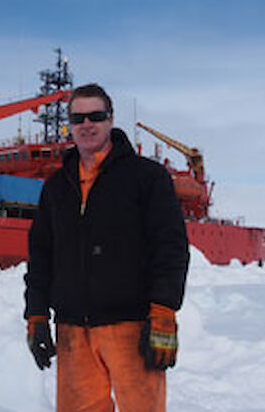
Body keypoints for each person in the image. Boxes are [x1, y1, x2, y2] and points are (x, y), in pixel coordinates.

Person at [24, 83, 190, 411]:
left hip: (131, 327)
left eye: (96, 116)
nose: (87, 125)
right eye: (78, 118)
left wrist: (163, 312)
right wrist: (36, 314)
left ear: (111, 120)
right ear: (69, 125)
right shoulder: (57, 187)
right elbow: (41, 255)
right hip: (73, 330)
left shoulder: (147, 177)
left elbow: (170, 247)